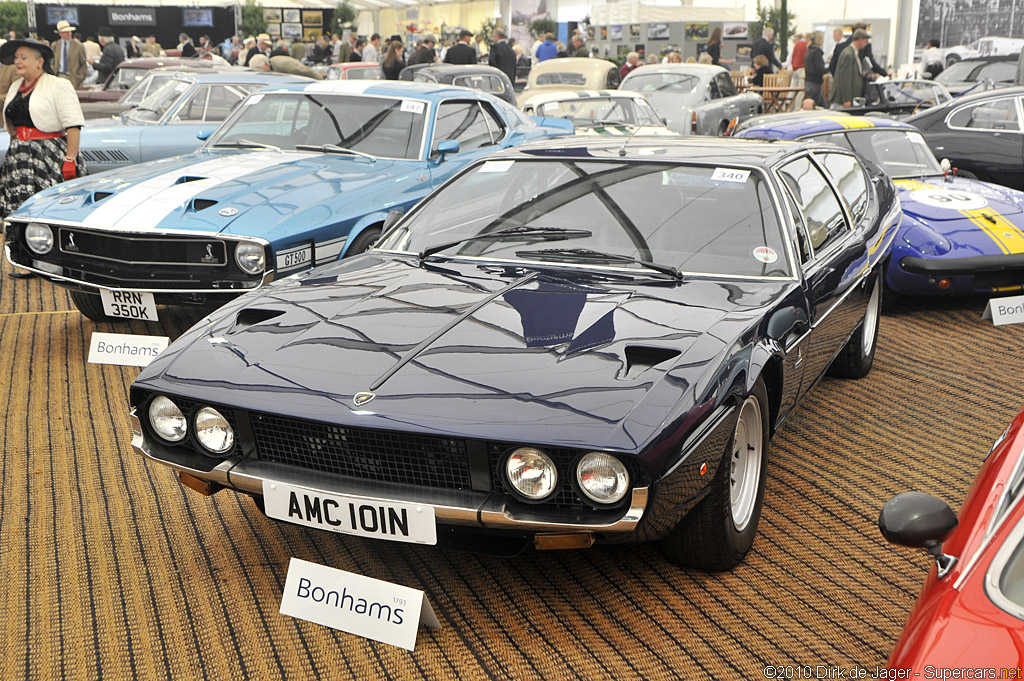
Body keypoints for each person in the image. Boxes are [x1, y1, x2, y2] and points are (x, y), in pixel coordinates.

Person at [0, 38, 85, 257]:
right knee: (20, 207)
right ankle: (26, 257)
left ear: (39, 62)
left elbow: (73, 126)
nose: (18, 61)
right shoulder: (15, 87)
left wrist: (70, 160)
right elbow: (13, 126)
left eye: (23, 57)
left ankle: (56, 257)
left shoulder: (58, 85)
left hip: (49, 156)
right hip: (19, 157)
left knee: (50, 208)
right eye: (16, 57)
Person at [830, 28, 870, 108]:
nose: (866, 44)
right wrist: (846, 99)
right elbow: (845, 78)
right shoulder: (849, 54)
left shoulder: (853, 53)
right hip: (843, 100)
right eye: (865, 41)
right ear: (860, 40)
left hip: (851, 97)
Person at [51, 20, 87, 89]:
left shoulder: (79, 46)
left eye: (69, 31)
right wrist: (53, 74)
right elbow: (52, 61)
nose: (69, 33)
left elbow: (83, 64)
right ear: (60, 33)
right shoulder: (55, 45)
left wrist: (79, 78)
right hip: (59, 77)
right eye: (66, 32)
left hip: (73, 78)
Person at [248, 53, 323, 80]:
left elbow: (304, 70)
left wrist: (320, 79)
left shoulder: (283, 64)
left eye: (261, 70)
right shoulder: (272, 65)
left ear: (266, 64)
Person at [803, 31, 827, 108]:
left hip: (808, 82)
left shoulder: (809, 51)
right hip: (815, 83)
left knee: (822, 106)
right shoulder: (817, 52)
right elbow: (820, 69)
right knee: (813, 107)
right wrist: (830, 68)